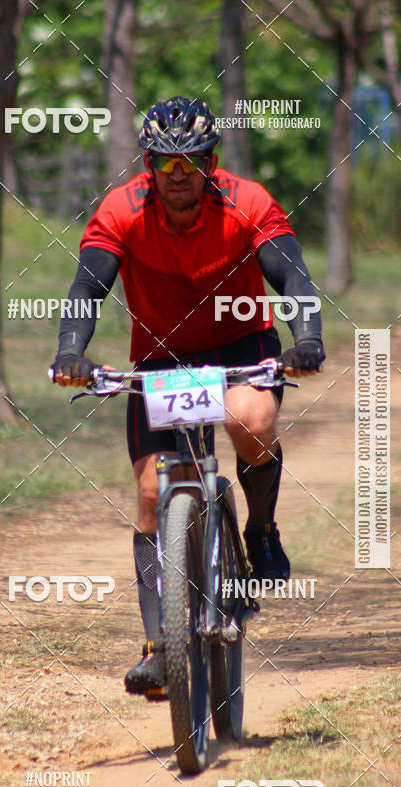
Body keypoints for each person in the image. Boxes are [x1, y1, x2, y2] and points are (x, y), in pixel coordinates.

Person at [52, 96, 325, 695]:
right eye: (164, 163)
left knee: (252, 420)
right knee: (152, 492)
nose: (178, 177)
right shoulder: (121, 210)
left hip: (241, 344)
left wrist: (306, 337)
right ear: (147, 163)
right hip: (162, 359)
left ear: (211, 161)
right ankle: (158, 646)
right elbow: (86, 286)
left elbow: (293, 276)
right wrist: (71, 350)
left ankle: (259, 532)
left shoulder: (248, 202)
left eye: (190, 163)